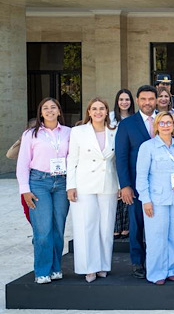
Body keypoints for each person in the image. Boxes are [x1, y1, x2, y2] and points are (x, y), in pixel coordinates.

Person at [17, 98, 71, 284]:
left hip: (62, 182)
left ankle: (56, 268)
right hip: (39, 182)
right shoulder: (31, 134)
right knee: (43, 229)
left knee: (58, 228)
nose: (49, 111)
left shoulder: (68, 132)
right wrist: (25, 189)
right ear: (40, 113)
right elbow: (22, 163)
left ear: (59, 111)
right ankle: (42, 271)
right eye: (45, 108)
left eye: (53, 107)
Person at [67, 98, 118, 283]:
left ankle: (103, 265)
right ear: (88, 111)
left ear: (107, 111)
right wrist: (70, 186)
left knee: (106, 226)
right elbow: (72, 160)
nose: (98, 112)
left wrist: (120, 185)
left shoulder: (115, 130)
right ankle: (89, 267)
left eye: (102, 108)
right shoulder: (78, 131)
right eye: (94, 109)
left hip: (108, 184)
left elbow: (117, 161)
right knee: (86, 226)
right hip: (84, 185)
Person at [135, 112, 174, 285]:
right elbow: (141, 176)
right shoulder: (147, 147)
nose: (166, 126)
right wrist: (145, 200)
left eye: (169, 123)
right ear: (156, 126)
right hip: (156, 199)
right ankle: (156, 272)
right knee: (156, 237)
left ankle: (171, 269)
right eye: (162, 123)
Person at [116, 85, 158, 279]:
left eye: (151, 99)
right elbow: (121, 157)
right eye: (143, 99)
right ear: (138, 101)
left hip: (160, 185)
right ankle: (137, 262)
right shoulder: (127, 124)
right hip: (135, 185)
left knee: (157, 225)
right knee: (137, 225)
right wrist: (125, 185)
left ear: (156, 100)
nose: (147, 103)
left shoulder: (164, 120)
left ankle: (156, 260)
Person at [110, 89, 134, 239]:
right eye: (121, 99)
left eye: (127, 99)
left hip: (128, 157)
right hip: (112, 158)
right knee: (115, 193)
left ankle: (126, 226)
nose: (124, 102)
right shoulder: (110, 118)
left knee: (126, 189)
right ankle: (115, 227)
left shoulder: (134, 118)